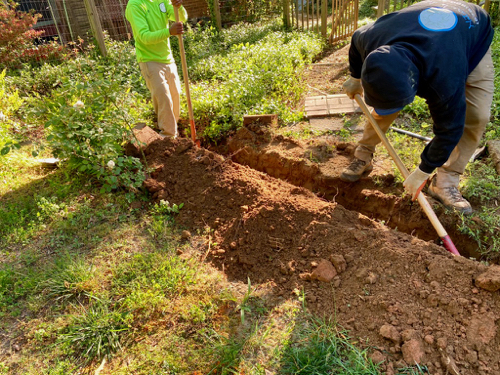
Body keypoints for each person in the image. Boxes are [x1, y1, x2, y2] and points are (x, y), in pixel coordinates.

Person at [341, 0, 494, 215]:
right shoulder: (371, 37)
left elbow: (449, 129)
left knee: (476, 116)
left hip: (472, 32)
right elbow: (356, 40)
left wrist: (423, 171)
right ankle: (364, 153)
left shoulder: (444, 76)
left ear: (416, 84)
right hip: (427, 20)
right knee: (388, 95)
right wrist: (356, 78)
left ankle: (445, 182)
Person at [126, 0, 188, 138]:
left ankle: (174, 135)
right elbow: (144, 36)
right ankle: (168, 137)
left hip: (167, 58)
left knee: (175, 96)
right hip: (149, 60)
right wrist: (169, 32)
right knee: (164, 98)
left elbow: (182, 18)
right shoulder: (135, 5)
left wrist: (178, 6)